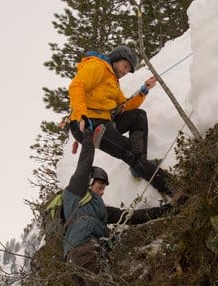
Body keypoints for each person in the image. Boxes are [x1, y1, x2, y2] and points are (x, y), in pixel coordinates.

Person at [63, 127, 173, 286]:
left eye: (104, 189)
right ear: (88, 183)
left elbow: (131, 217)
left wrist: (166, 210)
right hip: (84, 252)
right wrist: (87, 134)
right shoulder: (77, 190)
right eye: (100, 187)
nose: (102, 192)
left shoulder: (100, 210)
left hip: (73, 261)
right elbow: (86, 158)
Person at [67, 45, 172, 195]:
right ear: (117, 58)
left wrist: (144, 90)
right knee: (129, 152)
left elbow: (124, 106)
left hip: (103, 122)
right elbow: (77, 86)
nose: (124, 71)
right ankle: (172, 186)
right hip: (88, 123)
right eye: (125, 66)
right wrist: (81, 116)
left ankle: (140, 166)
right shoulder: (98, 66)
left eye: (127, 70)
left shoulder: (113, 81)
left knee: (138, 116)